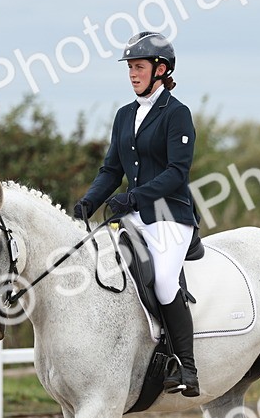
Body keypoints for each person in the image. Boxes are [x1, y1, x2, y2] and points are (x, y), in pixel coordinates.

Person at [73, 31, 200, 397]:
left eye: (139, 67)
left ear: (161, 69)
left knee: (162, 281)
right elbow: (111, 169)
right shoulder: (125, 115)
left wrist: (134, 197)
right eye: (130, 67)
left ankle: (187, 367)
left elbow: (177, 171)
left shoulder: (177, 114)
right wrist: (89, 202)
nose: (132, 74)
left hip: (170, 215)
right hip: (137, 213)